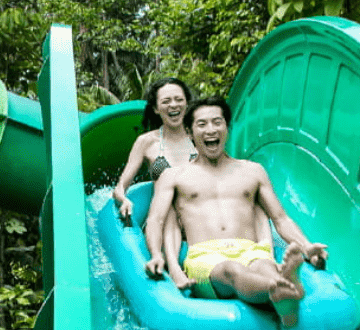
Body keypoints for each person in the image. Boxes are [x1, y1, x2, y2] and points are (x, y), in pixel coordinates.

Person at [144, 97, 328, 328]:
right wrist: (156, 255)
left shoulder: (253, 171)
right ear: (190, 132)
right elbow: (156, 219)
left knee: (265, 265)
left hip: (252, 251)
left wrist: (307, 247)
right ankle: (281, 289)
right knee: (232, 270)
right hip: (206, 258)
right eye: (202, 124)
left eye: (217, 122)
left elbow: (280, 218)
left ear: (227, 128)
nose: (210, 130)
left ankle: (283, 292)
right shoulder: (174, 176)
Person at [112, 79, 273, 287]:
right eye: (166, 101)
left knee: (252, 199)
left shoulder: (202, 135)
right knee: (171, 204)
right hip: (168, 214)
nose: (174, 105)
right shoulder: (147, 142)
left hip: (200, 216)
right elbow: (120, 186)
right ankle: (173, 267)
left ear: (187, 104)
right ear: (155, 108)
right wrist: (124, 199)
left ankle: (265, 252)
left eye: (179, 100)